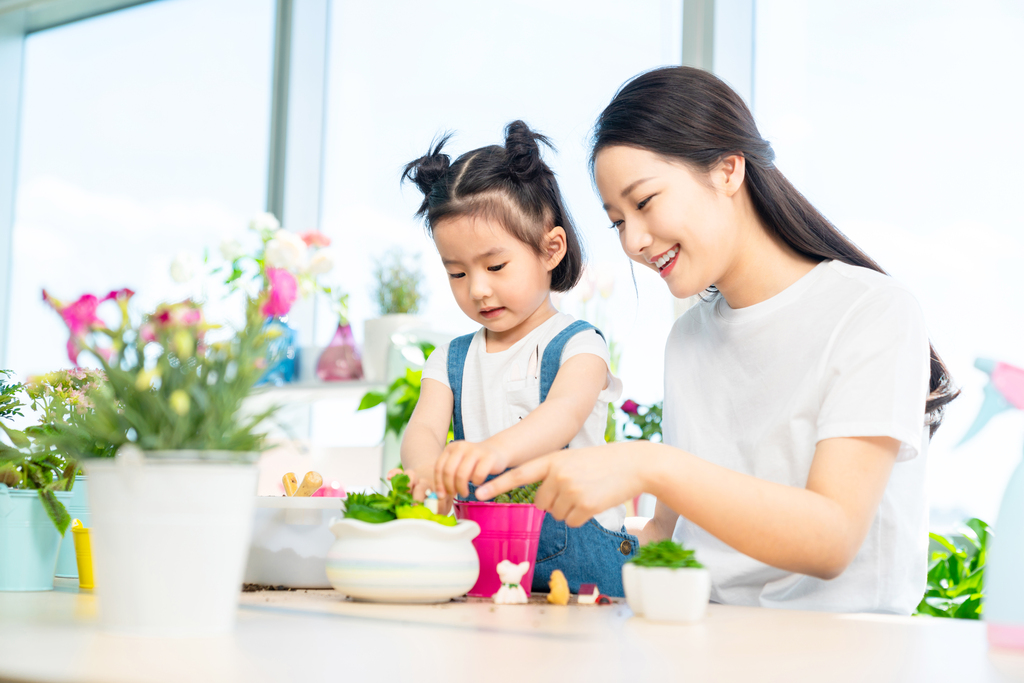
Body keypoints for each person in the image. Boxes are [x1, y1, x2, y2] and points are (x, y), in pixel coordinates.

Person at [476, 67, 959, 614]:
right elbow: (669, 533)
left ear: (729, 170)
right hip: (703, 639)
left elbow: (832, 538)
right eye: (616, 221)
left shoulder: (872, 311)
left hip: (843, 654)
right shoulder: (687, 340)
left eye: (646, 201)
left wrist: (646, 463)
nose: (634, 241)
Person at [399, 121, 638, 595]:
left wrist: (490, 453)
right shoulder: (450, 359)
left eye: (495, 266)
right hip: (487, 567)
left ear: (551, 249)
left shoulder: (578, 344)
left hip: (587, 575)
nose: (478, 288)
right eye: (457, 273)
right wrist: (425, 468)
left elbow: (562, 416)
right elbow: (424, 428)